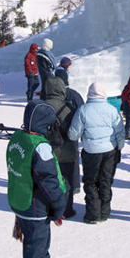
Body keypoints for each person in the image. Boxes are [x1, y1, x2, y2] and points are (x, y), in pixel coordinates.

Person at [6, 100, 67, 258]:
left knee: (32, 244)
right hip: (35, 206)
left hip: (20, 199)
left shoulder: (18, 137)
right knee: (38, 246)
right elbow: (48, 181)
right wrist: (59, 205)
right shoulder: (40, 147)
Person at [68, 82, 125, 224]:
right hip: (109, 150)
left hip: (91, 151)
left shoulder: (83, 110)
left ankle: (93, 215)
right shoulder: (111, 109)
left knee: (91, 181)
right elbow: (120, 130)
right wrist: (119, 146)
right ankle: (105, 212)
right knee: (105, 180)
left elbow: (73, 135)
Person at [43, 77, 83, 219]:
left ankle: (49, 207)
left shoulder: (40, 107)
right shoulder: (68, 109)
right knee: (66, 180)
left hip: (45, 152)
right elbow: (73, 131)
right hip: (67, 151)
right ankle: (66, 209)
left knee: (48, 179)